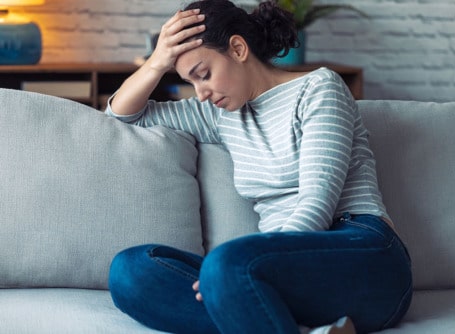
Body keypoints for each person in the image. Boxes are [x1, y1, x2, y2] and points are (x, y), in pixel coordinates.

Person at [105, 1, 412, 333]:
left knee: (224, 266)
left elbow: (317, 205)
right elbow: (123, 116)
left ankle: (242, 301)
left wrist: (236, 272)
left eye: (204, 75)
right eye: (191, 83)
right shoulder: (219, 115)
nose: (201, 93)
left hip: (362, 252)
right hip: (273, 271)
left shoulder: (319, 88)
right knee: (130, 271)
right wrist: (156, 62)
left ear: (238, 49)